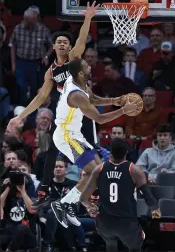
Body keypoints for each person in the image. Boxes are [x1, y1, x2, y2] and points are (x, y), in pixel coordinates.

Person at [7, 1, 101, 209]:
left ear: (69, 46)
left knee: (94, 158)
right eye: (58, 41)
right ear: (54, 46)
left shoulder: (74, 59)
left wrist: (87, 18)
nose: (62, 44)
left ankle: (88, 195)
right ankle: (45, 189)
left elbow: (82, 41)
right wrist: (20, 117)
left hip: (83, 114)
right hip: (64, 115)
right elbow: (41, 98)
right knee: (51, 148)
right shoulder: (52, 71)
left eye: (65, 42)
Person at [48, 57, 138, 228]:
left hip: (76, 135)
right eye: (86, 66)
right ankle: (65, 204)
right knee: (92, 171)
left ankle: (67, 203)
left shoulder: (80, 84)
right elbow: (99, 118)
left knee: (99, 172)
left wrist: (114, 101)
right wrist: (124, 110)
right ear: (81, 73)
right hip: (66, 136)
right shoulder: (76, 95)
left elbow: (94, 99)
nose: (90, 66)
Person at [80, 138, 161, 252]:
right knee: (135, 247)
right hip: (126, 223)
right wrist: (156, 211)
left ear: (110, 153)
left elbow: (83, 198)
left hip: (105, 223)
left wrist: (90, 207)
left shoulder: (99, 169)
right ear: (126, 153)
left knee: (110, 245)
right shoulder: (134, 170)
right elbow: (148, 198)